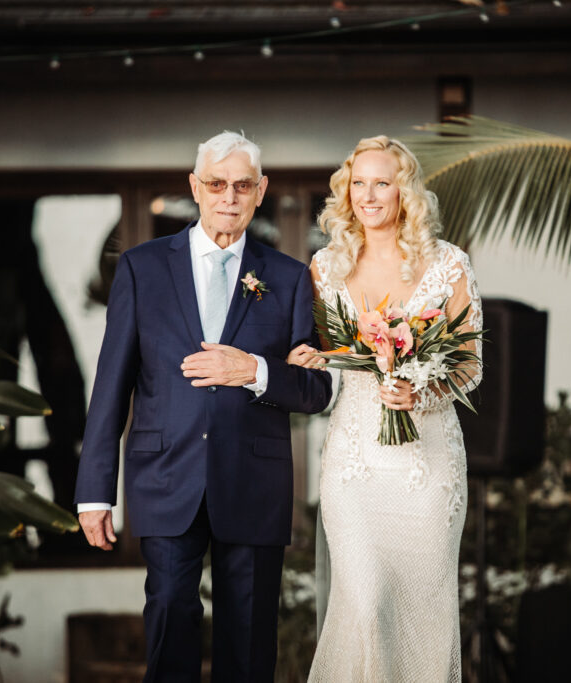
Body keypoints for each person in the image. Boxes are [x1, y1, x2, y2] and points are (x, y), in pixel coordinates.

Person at [75, 131, 333, 683]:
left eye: (242, 185)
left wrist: (255, 372)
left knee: (248, 639)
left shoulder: (289, 277)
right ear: (195, 187)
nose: (229, 197)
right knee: (169, 614)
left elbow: (317, 390)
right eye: (216, 184)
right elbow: (112, 383)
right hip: (166, 473)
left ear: (261, 191)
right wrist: (95, 491)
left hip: (254, 481)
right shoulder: (142, 268)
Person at [289, 136, 483, 681]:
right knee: (366, 603)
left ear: (405, 192)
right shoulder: (325, 267)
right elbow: (336, 356)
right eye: (359, 183)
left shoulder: (449, 263)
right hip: (355, 463)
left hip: (428, 465)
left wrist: (419, 392)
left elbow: (470, 364)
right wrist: (313, 358)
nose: (369, 195)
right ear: (345, 192)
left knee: (423, 609)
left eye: (383, 182)